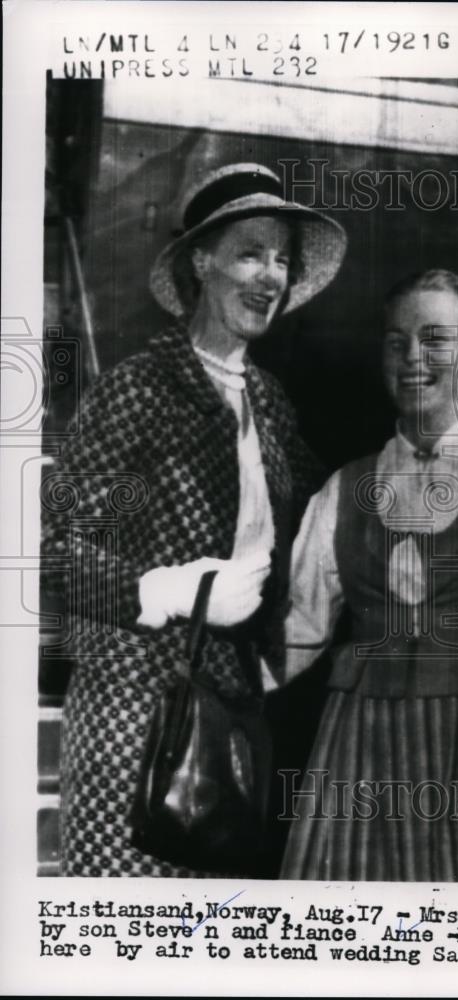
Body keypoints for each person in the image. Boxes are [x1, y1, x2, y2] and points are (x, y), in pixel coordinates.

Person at [41, 162, 347, 876]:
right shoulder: (139, 392)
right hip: (134, 723)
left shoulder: (270, 403)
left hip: (230, 718)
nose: (269, 275)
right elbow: (57, 556)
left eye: (281, 259)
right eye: (249, 252)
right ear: (201, 262)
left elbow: (320, 524)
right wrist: (164, 591)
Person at [276, 269, 458, 882]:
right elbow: (294, 639)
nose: (413, 356)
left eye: (435, 338)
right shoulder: (345, 489)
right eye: (396, 341)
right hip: (356, 758)